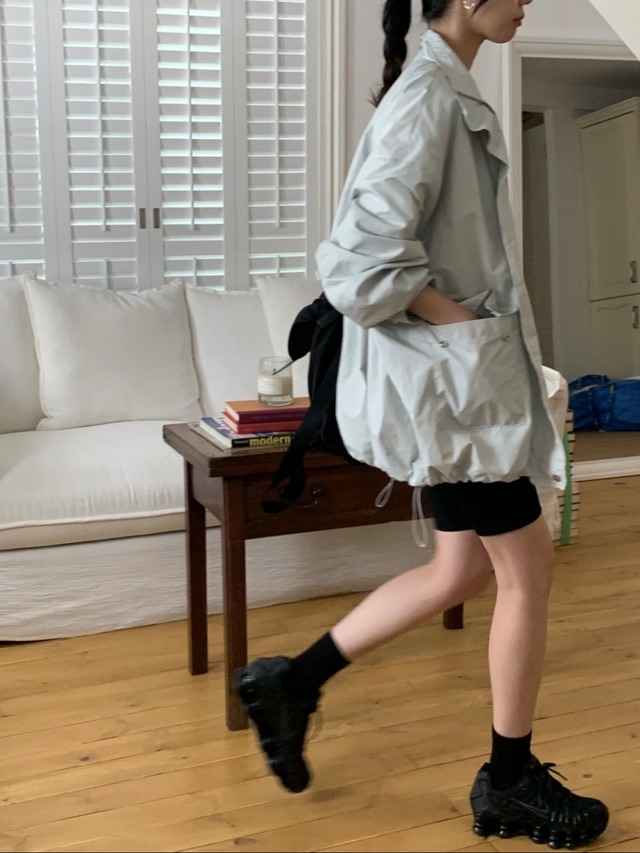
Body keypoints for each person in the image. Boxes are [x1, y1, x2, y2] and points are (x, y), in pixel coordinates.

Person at [233, 1, 610, 848]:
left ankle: (292, 681)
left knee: (459, 570)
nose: (528, 0)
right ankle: (508, 781)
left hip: (455, 397)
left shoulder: (439, 86)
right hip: (457, 398)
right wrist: (461, 328)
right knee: (527, 575)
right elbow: (359, 260)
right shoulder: (429, 96)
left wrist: (466, 336)